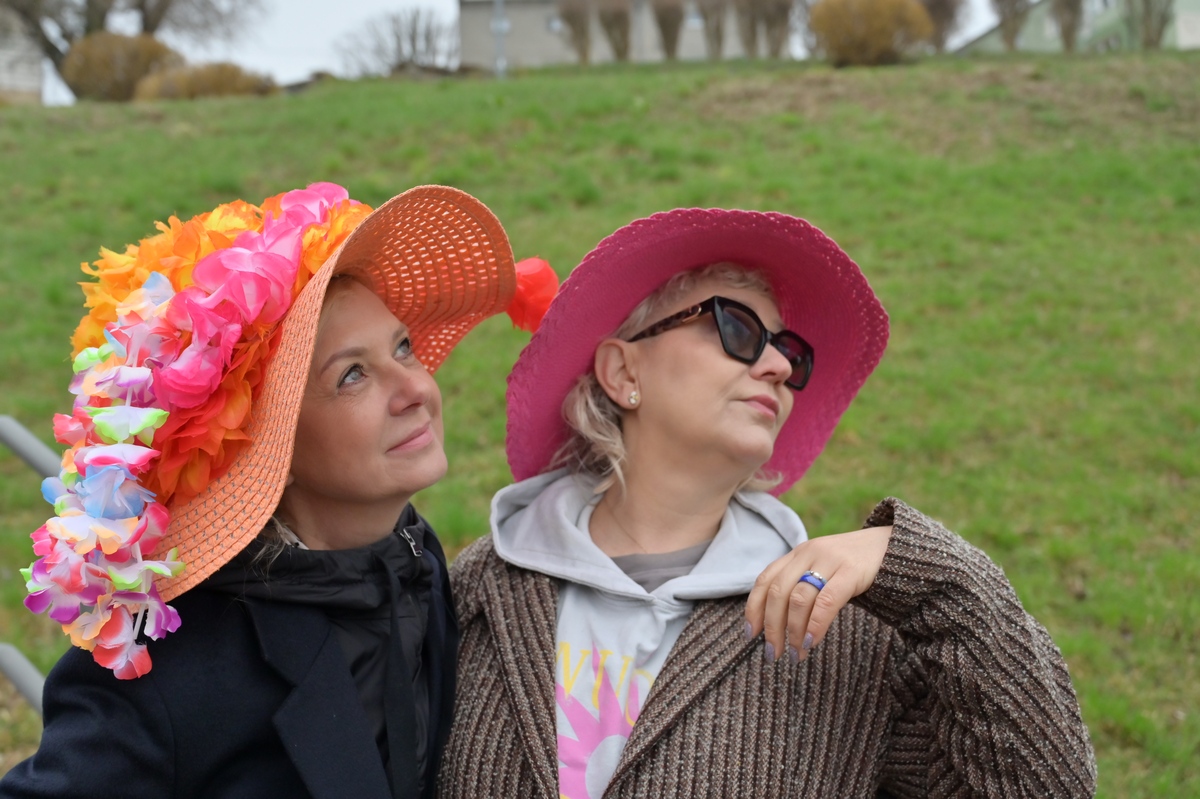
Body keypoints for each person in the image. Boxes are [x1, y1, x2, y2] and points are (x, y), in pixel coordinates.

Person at [437, 208, 1098, 798]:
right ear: (623, 371)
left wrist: (929, 575)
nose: (779, 368)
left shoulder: (839, 630)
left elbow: (1043, 784)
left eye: (791, 353)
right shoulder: (478, 591)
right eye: (737, 328)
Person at [2, 183, 552, 799]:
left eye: (403, 348)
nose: (416, 389)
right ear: (271, 448)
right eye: (353, 375)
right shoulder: (168, 678)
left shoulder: (416, 562)